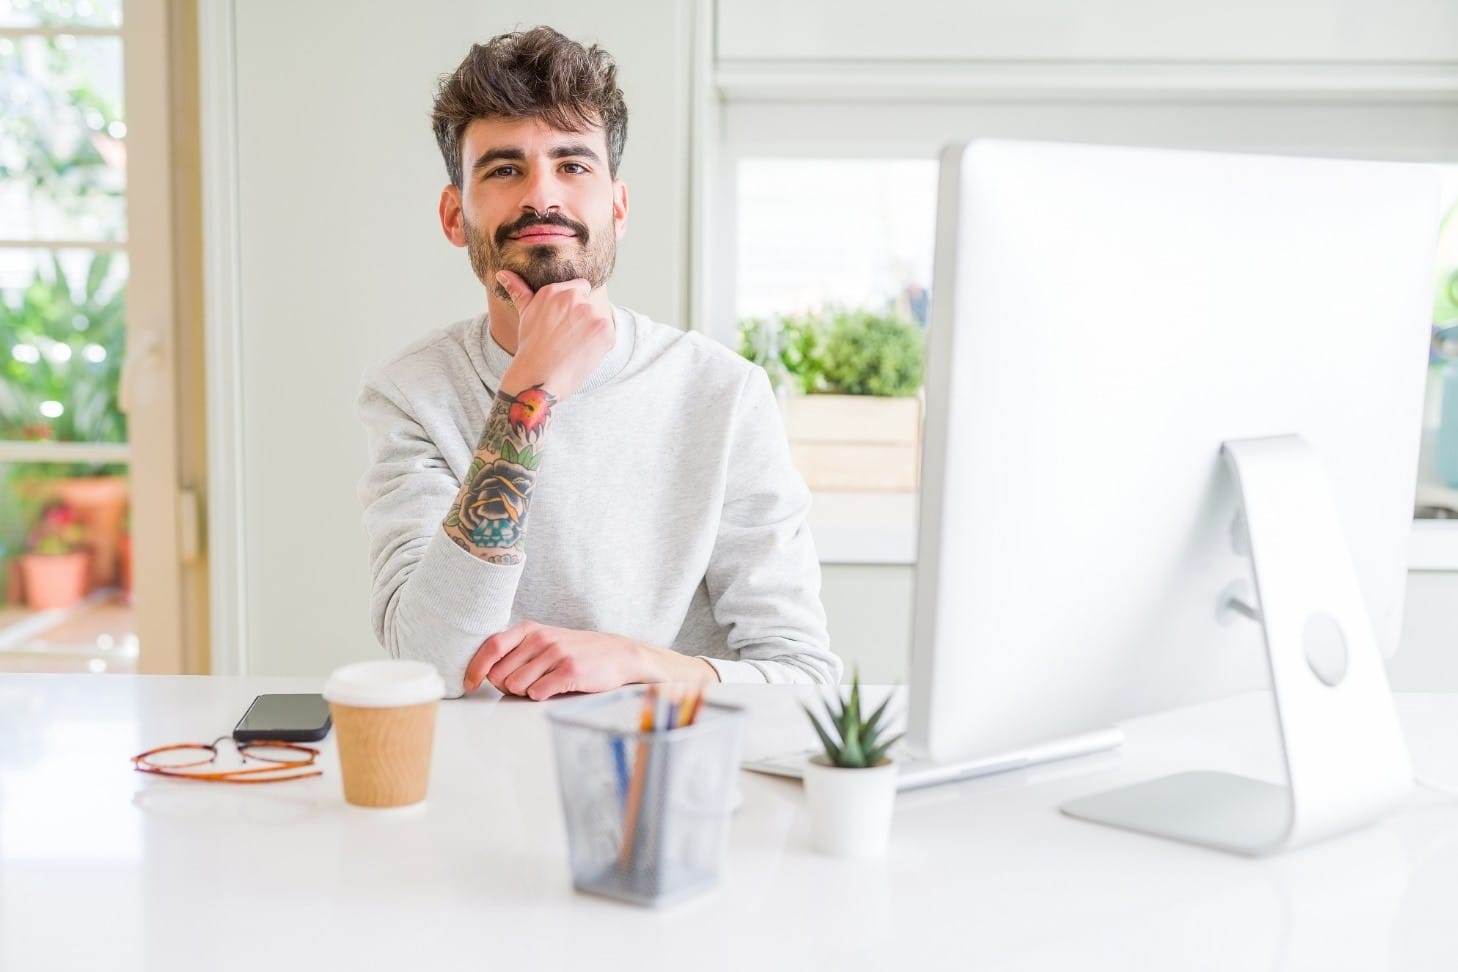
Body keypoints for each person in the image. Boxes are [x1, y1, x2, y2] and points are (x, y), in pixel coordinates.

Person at [356, 27, 841, 700]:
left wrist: (640, 663)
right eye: (504, 169)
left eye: (573, 164)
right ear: (454, 216)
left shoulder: (723, 395)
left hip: (666, 774)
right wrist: (529, 390)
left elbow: (803, 678)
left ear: (617, 205)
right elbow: (434, 661)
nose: (541, 197)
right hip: (479, 785)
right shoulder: (412, 394)